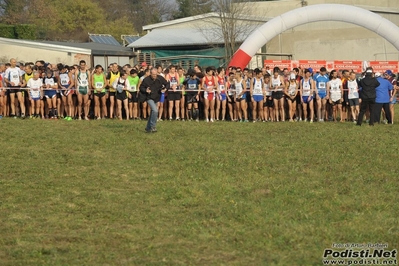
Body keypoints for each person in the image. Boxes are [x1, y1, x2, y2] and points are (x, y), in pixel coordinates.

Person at [139, 68, 169, 133]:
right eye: (153, 75)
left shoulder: (160, 78)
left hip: (157, 97)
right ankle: (153, 126)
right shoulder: (146, 80)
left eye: (155, 74)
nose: (154, 76)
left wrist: (165, 89)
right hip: (149, 97)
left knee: (153, 112)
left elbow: (167, 84)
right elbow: (141, 87)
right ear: (150, 73)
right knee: (155, 110)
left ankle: (148, 127)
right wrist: (146, 90)